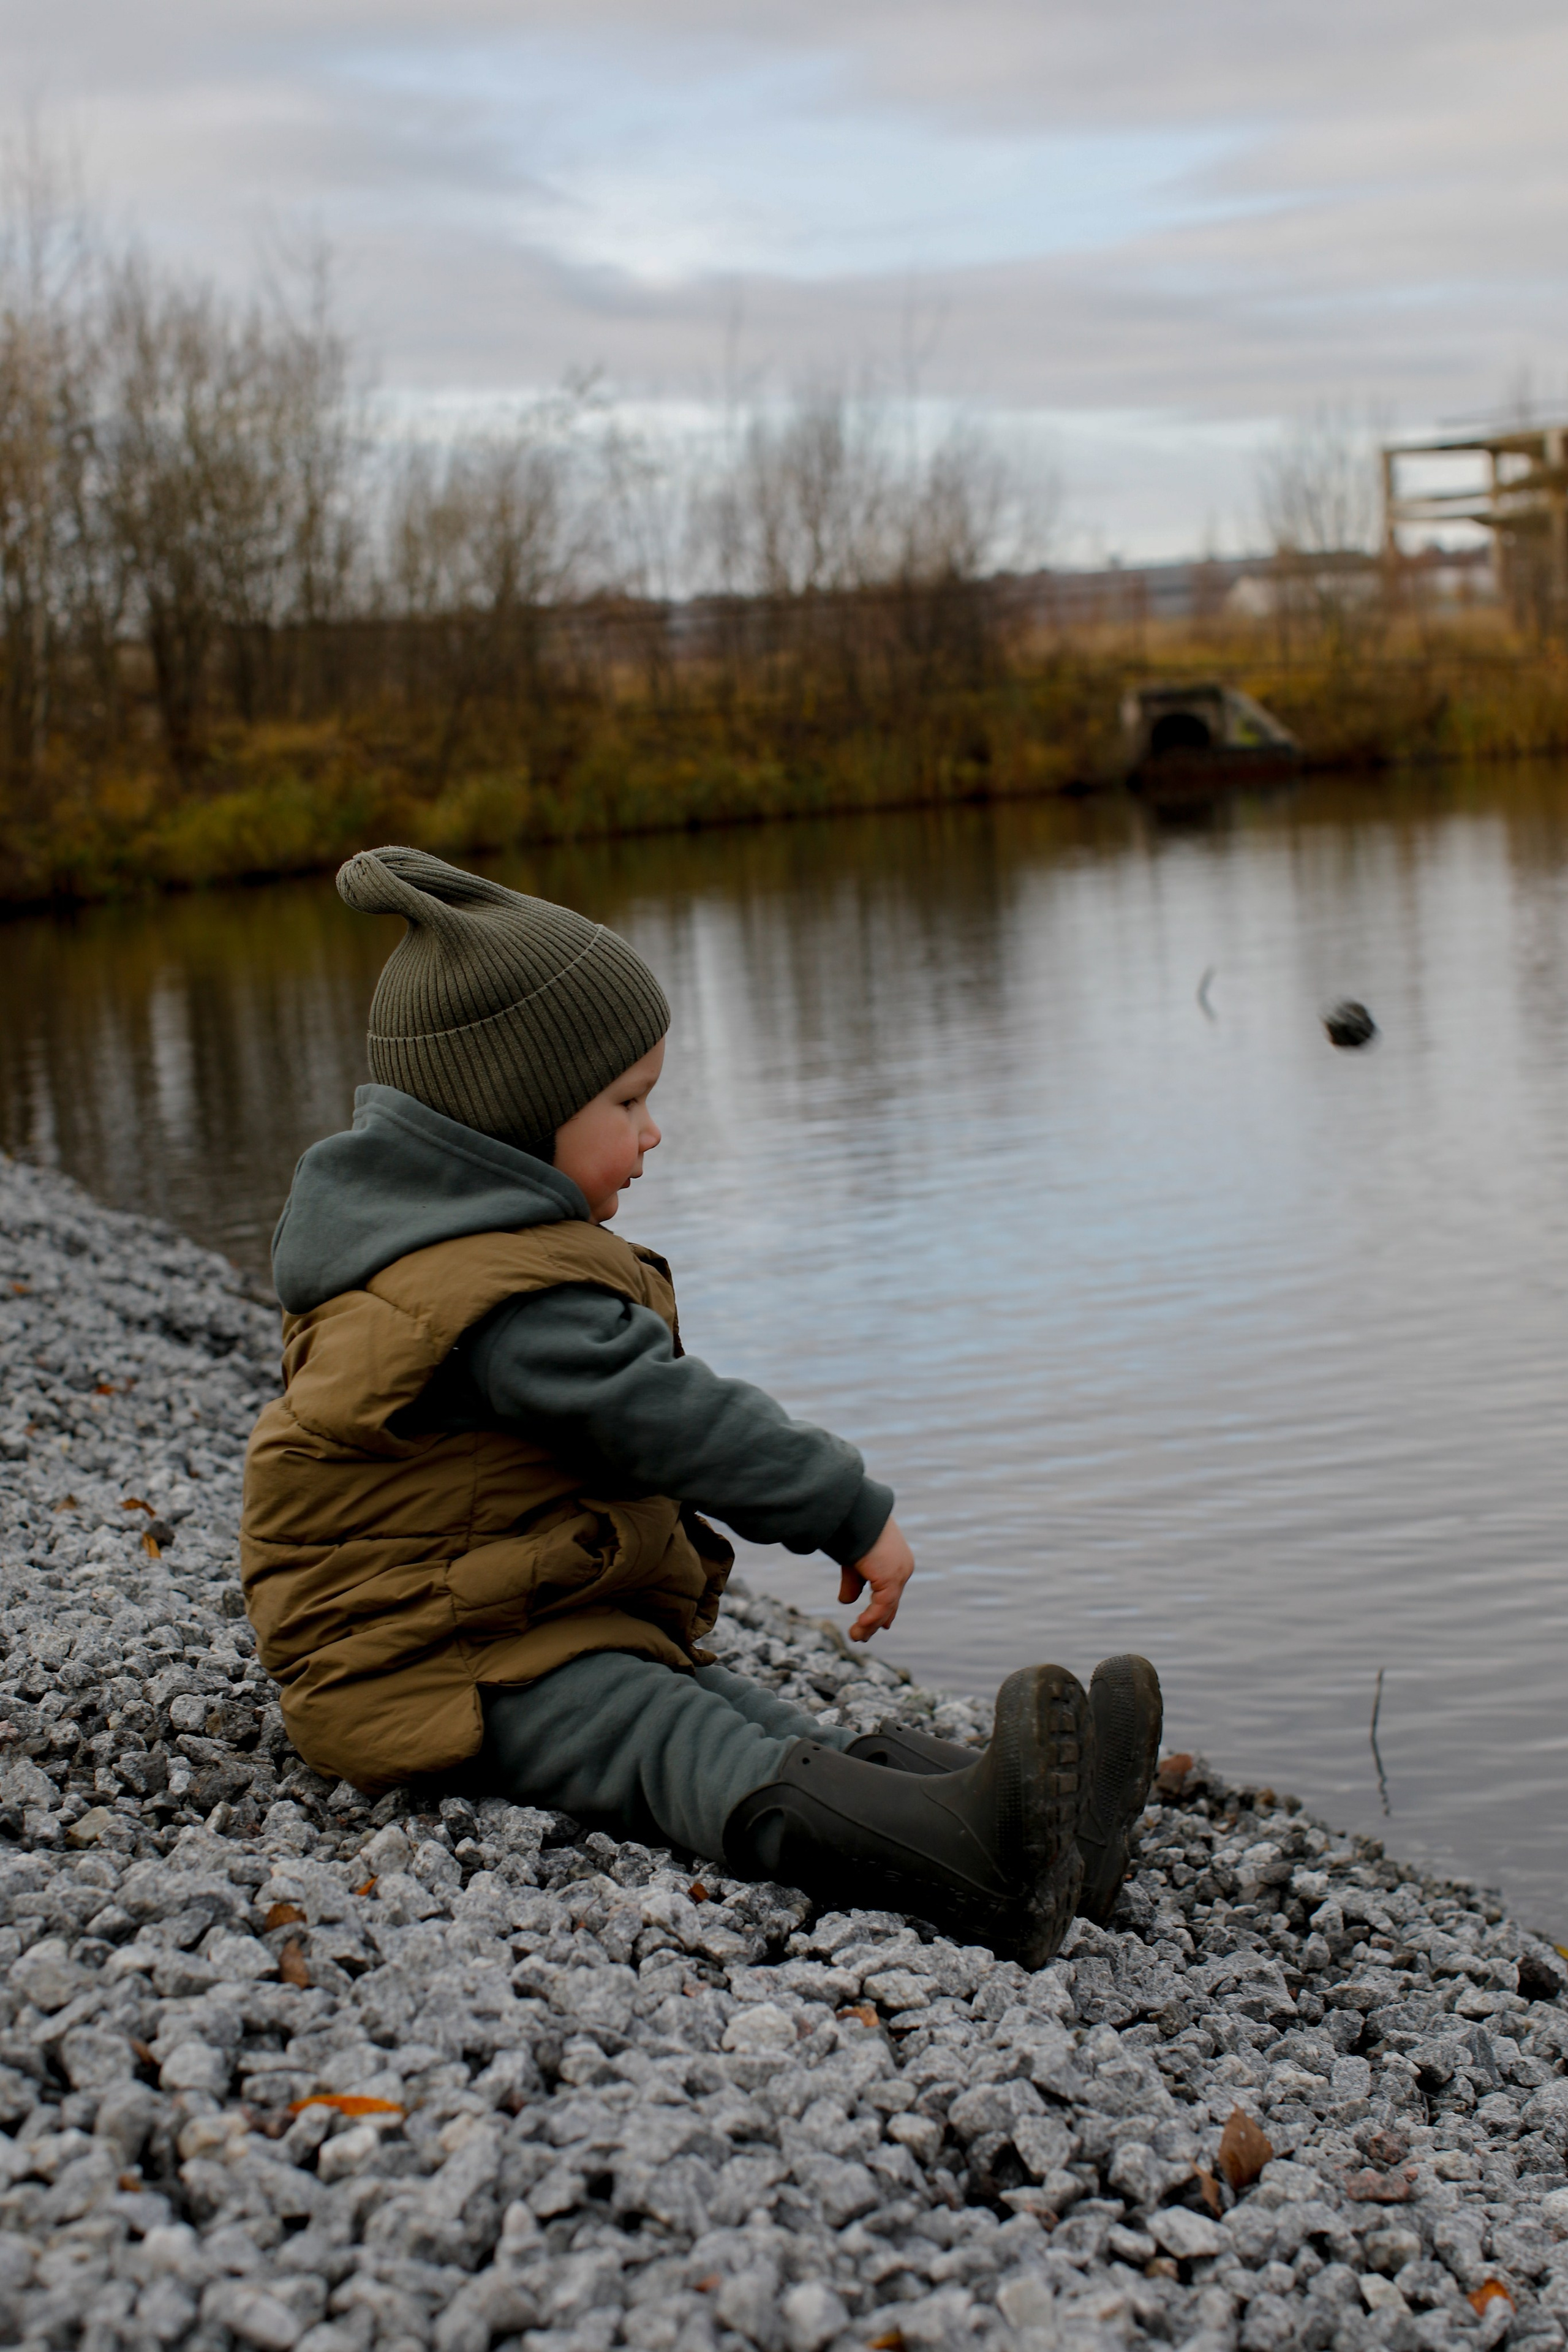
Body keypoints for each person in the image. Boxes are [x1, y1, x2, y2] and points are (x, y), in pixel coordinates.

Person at [241, 846, 1162, 1967]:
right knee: (668, 1735)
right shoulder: (487, 1300)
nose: (653, 1130)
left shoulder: (457, 1254)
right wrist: (846, 1507)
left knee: (750, 1714)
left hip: (504, 1616)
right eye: (628, 1101)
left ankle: (1049, 1831)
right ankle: (977, 1864)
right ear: (511, 1118)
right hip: (412, 1662)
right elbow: (669, 1416)